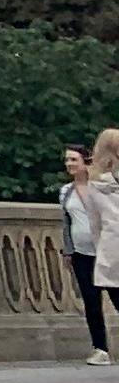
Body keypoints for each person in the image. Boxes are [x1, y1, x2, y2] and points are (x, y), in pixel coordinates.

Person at [78, 132, 119, 366]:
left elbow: (96, 224)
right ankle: (100, 348)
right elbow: (95, 223)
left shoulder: (96, 185)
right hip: (112, 248)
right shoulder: (97, 185)